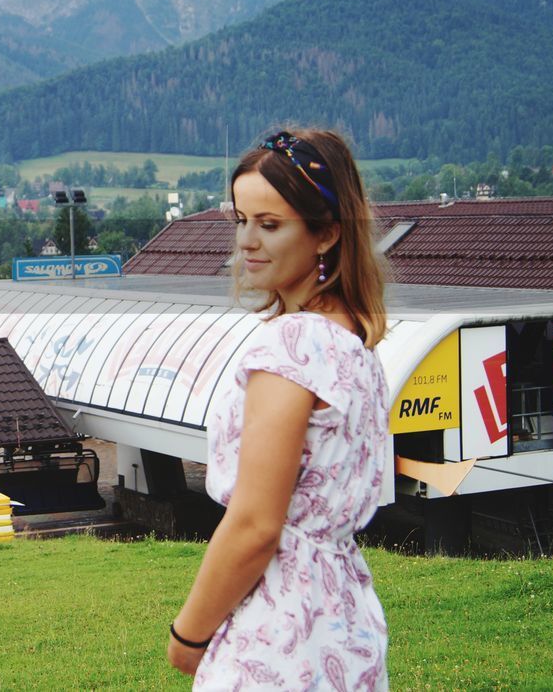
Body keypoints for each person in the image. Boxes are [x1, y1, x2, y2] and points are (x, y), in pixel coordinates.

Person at [168, 128, 390, 688]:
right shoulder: (355, 346)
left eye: (270, 225)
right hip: (344, 622)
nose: (247, 241)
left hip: (276, 630)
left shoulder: (291, 345)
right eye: (241, 220)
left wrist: (188, 636)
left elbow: (255, 523)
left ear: (325, 235)